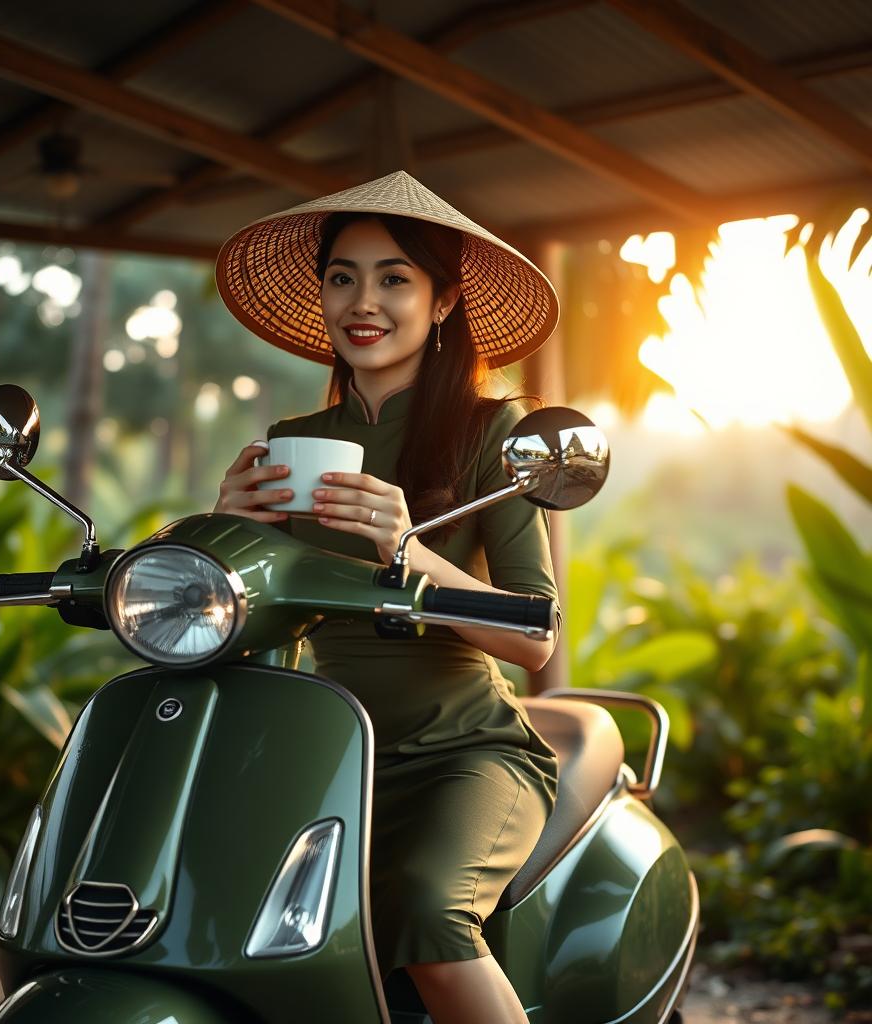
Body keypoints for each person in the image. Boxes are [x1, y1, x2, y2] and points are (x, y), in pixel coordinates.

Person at [212, 170, 561, 1024]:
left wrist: (409, 551)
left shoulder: (494, 433)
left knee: (426, 907)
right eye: (342, 276)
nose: (362, 300)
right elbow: (251, 627)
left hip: (464, 752)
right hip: (324, 756)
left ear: (442, 302)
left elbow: (534, 635)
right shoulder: (292, 445)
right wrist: (225, 536)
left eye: (394, 277)